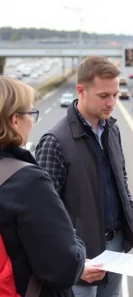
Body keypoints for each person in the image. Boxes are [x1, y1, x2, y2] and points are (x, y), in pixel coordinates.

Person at [35, 56, 133, 297]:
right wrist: (74, 264)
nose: (112, 102)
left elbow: (121, 179)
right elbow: (45, 215)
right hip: (80, 256)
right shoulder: (54, 142)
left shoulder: (112, 129)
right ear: (81, 91)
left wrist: (132, 213)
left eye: (115, 94)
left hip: (115, 247)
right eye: (104, 96)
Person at [0, 76, 86, 296]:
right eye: (31, 113)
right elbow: (64, 268)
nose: (33, 121)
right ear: (14, 120)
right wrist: (75, 242)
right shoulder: (27, 182)